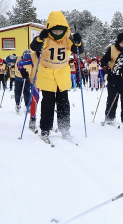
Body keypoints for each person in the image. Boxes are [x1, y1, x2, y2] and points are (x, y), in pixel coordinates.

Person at [28, 11, 83, 144]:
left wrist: (78, 42)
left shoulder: (67, 38)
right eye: (55, 31)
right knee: (48, 103)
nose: (58, 34)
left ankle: (65, 128)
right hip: (47, 73)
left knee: (64, 103)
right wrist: (40, 38)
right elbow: (34, 47)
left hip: (62, 74)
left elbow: (78, 51)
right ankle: (45, 129)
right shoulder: (46, 38)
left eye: (60, 31)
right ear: (50, 29)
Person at [101, 33, 123, 124]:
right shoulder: (112, 49)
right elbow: (104, 60)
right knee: (112, 98)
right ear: (118, 42)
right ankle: (110, 117)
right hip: (113, 76)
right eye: (122, 43)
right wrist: (106, 68)